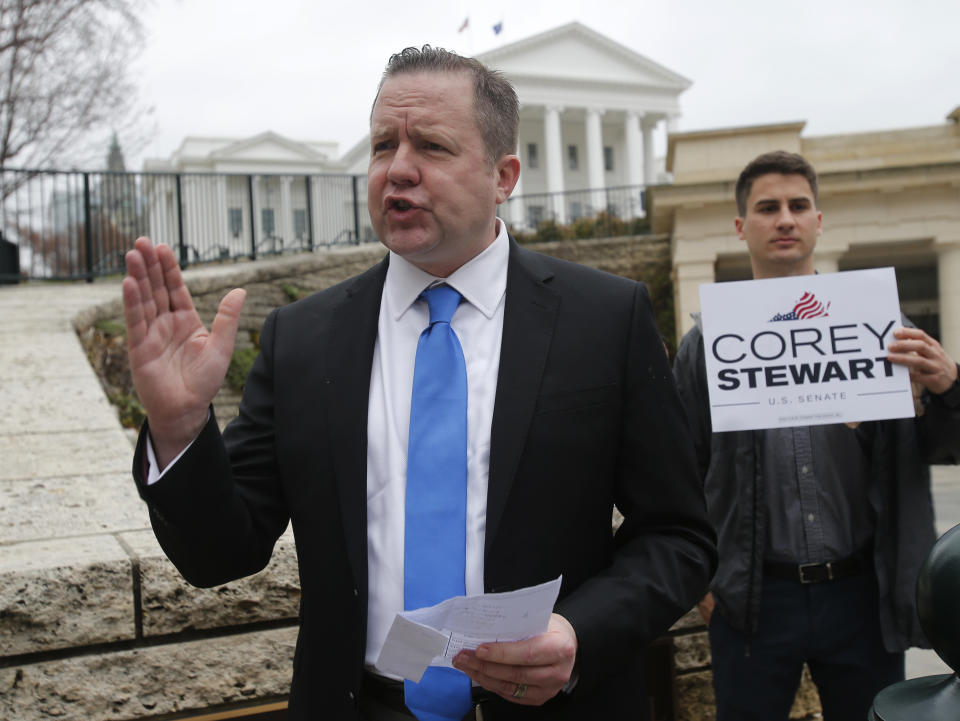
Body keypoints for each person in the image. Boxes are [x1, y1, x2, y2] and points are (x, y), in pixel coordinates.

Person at [123, 46, 716, 721]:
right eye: (383, 145)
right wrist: (177, 429)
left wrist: (579, 631)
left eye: (431, 145)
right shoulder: (302, 339)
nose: (397, 168)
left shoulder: (605, 320)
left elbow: (678, 535)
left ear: (504, 175)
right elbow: (218, 553)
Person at [673, 150, 960, 720]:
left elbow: (944, 448)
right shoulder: (708, 346)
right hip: (754, 600)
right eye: (768, 207)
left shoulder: (883, 327)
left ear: (818, 221)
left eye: (798, 205)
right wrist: (705, 584)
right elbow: (680, 470)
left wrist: (949, 389)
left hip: (861, 595)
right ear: (741, 226)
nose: (785, 219)